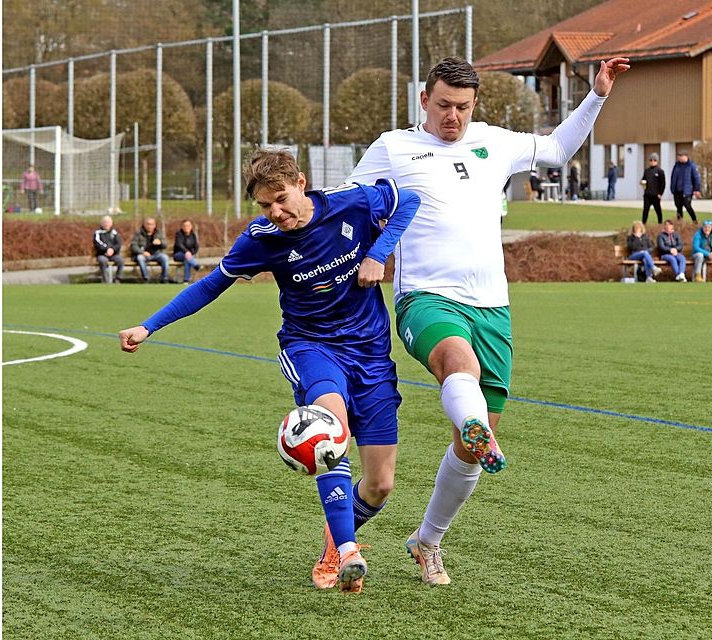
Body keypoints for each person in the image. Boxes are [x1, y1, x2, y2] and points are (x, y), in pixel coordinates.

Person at [346, 55, 629, 585]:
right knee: (456, 360)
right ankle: (473, 422)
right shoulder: (392, 147)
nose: (454, 116)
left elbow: (559, 148)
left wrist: (597, 95)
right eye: (445, 105)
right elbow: (346, 205)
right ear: (424, 100)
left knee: (471, 448)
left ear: (475, 106)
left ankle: (427, 540)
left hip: (493, 307)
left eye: (464, 107)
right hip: (426, 297)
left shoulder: (494, 142)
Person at [118, 149, 420, 593]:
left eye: (280, 198)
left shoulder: (351, 203)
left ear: (300, 181)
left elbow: (408, 199)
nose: (275, 212)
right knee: (328, 426)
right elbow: (209, 286)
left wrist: (378, 253)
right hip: (311, 347)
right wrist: (148, 326)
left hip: (371, 354)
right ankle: (349, 548)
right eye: (264, 205)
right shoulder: (260, 239)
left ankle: (335, 539)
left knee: (379, 484)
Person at [131, 217, 170, 283]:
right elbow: (133, 246)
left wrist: (160, 243)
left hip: (156, 254)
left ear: (154, 225)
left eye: (151, 224)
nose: (149, 226)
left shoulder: (159, 233)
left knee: (165, 257)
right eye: (148, 224)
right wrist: (142, 252)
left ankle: (164, 278)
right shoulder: (139, 233)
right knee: (140, 258)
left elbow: (165, 245)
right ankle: (146, 278)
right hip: (143, 255)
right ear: (144, 225)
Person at [670, 150, 701, 223]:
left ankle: (694, 220)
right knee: (678, 207)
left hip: (687, 191)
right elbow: (673, 177)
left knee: (687, 205)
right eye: (678, 156)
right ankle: (679, 222)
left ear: (686, 156)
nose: (679, 158)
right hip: (677, 190)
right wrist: (672, 188)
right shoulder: (676, 166)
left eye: (681, 156)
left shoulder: (691, 166)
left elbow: (696, 178)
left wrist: (697, 189)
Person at [93, 215, 124, 284]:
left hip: (114, 254)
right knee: (103, 261)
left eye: (108, 222)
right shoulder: (97, 233)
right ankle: (105, 281)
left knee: (121, 260)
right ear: (101, 223)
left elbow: (118, 243)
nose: (106, 224)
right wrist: (107, 249)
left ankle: (117, 279)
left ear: (111, 223)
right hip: (102, 254)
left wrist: (112, 249)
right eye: (104, 222)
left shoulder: (114, 232)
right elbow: (97, 243)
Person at [173, 219, 202, 284]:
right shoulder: (179, 234)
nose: (186, 227)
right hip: (178, 254)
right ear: (182, 227)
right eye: (184, 226)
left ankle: (186, 280)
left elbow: (196, 247)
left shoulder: (193, 235)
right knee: (187, 257)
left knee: (187, 260)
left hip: (189, 257)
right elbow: (179, 244)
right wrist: (186, 252)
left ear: (191, 226)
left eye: (188, 225)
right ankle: (196, 265)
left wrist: (191, 253)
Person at [641, 153, 666, 225]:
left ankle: (660, 223)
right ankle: (643, 223)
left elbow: (663, 183)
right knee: (645, 209)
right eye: (651, 160)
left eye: (654, 160)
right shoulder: (647, 171)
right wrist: (644, 187)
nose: (652, 162)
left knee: (658, 209)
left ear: (657, 161)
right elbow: (643, 180)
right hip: (647, 194)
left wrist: (660, 193)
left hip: (656, 195)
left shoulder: (660, 171)